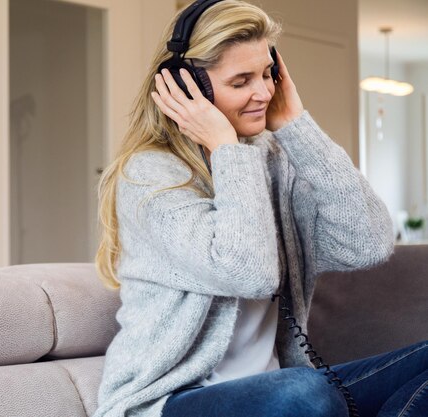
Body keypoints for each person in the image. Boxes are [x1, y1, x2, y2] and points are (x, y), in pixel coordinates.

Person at [92, 1, 428, 417]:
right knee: (305, 393)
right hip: (170, 401)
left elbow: (368, 243)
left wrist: (296, 126)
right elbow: (248, 272)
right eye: (241, 80)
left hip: (278, 391)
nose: (264, 92)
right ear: (186, 87)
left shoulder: (271, 159)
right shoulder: (149, 176)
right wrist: (226, 150)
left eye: (268, 74)